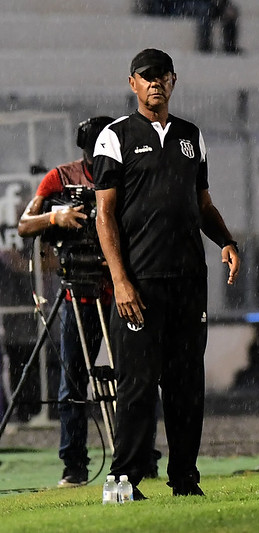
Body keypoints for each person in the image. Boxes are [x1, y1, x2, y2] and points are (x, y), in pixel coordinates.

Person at [93, 48, 240, 498]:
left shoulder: (191, 136)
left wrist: (227, 240)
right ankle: (122, 479)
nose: (156, 82)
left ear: (174, 81)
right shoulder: (114, 137)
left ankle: (184, 479)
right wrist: (119, 280)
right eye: (147, 75)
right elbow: (105, 215)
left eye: (163, 75)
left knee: (185, 387)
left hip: (188, 282)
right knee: (137, 386)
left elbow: (203, 205)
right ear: (132, 83)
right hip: (139, 283)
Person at [16, 117, 161, 487]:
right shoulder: (60, 177)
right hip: (78, 290)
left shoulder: (129, 175)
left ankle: (141, 456)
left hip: (121, 289)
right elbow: (24, 224)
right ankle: (74, 465)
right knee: (73, 381)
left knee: (133, 375)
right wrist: (57, 215)